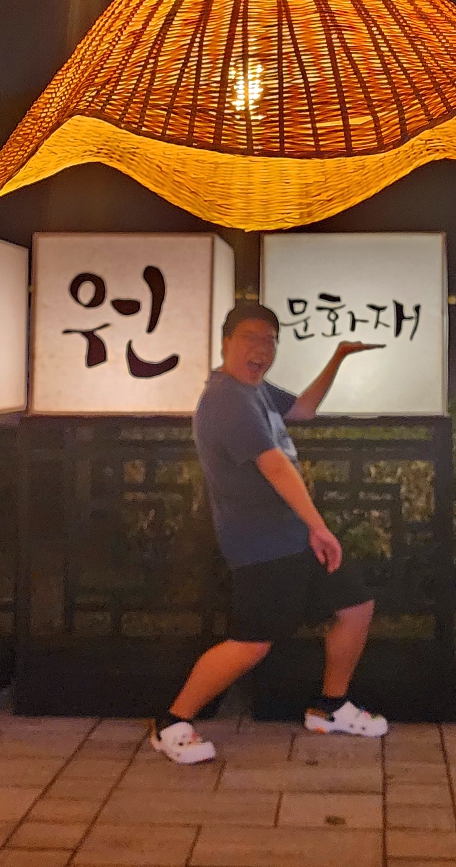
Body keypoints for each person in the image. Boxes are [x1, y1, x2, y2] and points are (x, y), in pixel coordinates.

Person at [149, 301, 387, 765]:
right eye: (250, 338)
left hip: (292, 536)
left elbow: (303, 410)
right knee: (251, 643)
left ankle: (331, 706)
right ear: (225, 342)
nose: (261, 349)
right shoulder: (226, 399)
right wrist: (319, 526)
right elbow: (275, 466)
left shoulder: (253, 389)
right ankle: (171, 722)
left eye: (269, 341)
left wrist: (338, 356)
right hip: (260, 545)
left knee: (355, 606)